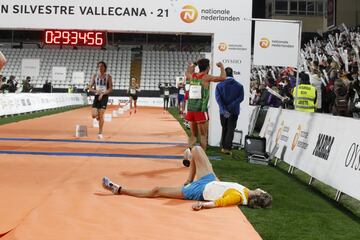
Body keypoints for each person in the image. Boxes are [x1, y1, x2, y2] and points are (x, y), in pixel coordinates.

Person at [102, 146, 272, 210]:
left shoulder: (239, 196)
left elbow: (219, 203)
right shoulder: (245, 191)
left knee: (156, 190)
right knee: (197, 149)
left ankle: (119, 189)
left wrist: (202, 205)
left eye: (262, 191)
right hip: (210, 180)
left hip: (200, 190)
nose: (262, 188)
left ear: (258, 194)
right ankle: (189, 171)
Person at [185, 59, 226, 150]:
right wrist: (222, 67)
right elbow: (223, 78)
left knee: (193, 135)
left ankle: (189, 151)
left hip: (191, 109)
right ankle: (201, 154)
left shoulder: (192, 76)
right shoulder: (206, 77)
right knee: (203, 135)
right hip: (200, 110)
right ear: (208, 67)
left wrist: (194, 64)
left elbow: (187, 72)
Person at [215, 67, 244, 155]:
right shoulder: (239, 86)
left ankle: (223, 146)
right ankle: (227, 148)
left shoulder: (219, 85)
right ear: (232, 74)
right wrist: (230, 107)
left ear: (225, 74)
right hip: (234, 111)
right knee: (231, 129)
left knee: (224, 128)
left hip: (223, 112)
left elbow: (218, 99)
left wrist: (224, 109)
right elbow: (240, 98)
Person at [88, 61, 113, 139]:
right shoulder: (95, 76)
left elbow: (110, 89)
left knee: (101, 115)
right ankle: (98, 117)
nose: (100, 68)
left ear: (105, 67)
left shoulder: (108, 76)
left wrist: (102, 94)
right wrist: (96, 91)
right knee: (93, 115)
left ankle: (100, 132)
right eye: (99, 66)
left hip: (104, 97)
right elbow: (90, 88)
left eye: (101, 66)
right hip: (96, 97)